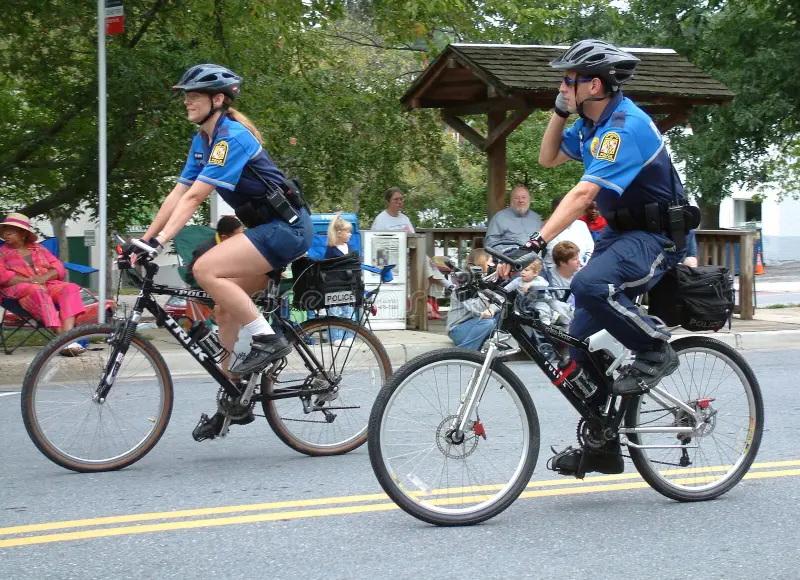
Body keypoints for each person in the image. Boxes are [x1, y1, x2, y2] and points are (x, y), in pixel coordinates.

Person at [500, 39, 693, 476]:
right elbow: (547, 158)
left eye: (569, 79)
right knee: (575, 345)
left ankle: (655, 347)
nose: (562, 84)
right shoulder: (589, 124)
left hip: (655, 237)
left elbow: (584, 192)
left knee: (589, 285)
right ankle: (603, 444)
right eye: (563, 79)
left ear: (597, 84)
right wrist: (561, 108)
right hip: (620, 237)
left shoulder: (623, 127)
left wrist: (537, 241)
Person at [127, 64, 314, 442]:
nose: (187, 100)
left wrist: (160, 242)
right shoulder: (204, 140)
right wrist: (143, 241)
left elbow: (198, 196)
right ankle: (234, 399)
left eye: (194, 95)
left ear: (218, 99)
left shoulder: (232, 137)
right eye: (186, 94)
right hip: (267, 230)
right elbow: (178, 193)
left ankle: (267, 338)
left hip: (288, 229)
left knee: (205, 268)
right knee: (224, 307)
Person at [0, 213, 87, 356]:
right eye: (5, 229)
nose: (6, 233)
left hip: (48, 284)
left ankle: (68, 337)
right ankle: (62, 339)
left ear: (23, 233)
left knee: (70, 288)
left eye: (12, 229)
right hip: (18, 291)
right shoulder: (1, 253)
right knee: (37, 289)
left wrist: (45, 277)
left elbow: (58, 266)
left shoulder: (38, 248)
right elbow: (2, 276)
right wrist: (31, 280)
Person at [370, 187, 452, 318]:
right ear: (388, 202)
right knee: (423, 263)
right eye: (396, 199)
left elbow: (413, 237)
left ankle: (422, 303)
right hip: (389, 258)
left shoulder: (404, 219)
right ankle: (444, 287)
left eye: (401, 199)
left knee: (422, 263)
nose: (399, 202)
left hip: (407, 255)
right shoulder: (381, 220)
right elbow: (376, 244)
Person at [447, 249, 500, 350]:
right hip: (458, 329)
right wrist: (487, 293)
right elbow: (478, 310)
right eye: (491, 261)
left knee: (501, 315)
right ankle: (462, 353)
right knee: (488, 322)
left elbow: (501, 301)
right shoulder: (464, 283)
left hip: (476, 324)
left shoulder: (488, 281)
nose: (495, 265)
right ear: (482, 262)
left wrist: (492, 308)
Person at [185, 215, 244, 287]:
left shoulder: (235, 246)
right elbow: (190, 277)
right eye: (237, 237)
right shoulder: (205, 250)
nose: (241, 240)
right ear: (224, 237)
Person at [325, 214, 356, 345]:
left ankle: (349, 335)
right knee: (335, 311)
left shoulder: (349, 248)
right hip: (334, 286)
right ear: (339, 233)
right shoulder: (331, 250)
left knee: (348, 311)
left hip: (348, 285)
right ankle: (336, 337)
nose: (350, 234)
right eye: (348, 232)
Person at [542, 195, 594, 271]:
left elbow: (590, 249)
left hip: (583, 268)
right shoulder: (548, 227)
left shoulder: (581, 225)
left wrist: (584, 264)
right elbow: (555, 253)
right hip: (557, 271)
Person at [484, 185, 543, 252]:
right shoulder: (499, 217)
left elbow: (544, 240)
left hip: (535, 260)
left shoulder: (536, 218)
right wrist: (506, 254)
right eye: (516, 198)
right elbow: (490, 243)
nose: (520, 200)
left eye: (524, 197)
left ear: (529, 199)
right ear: (511, 200)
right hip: (509, 259)